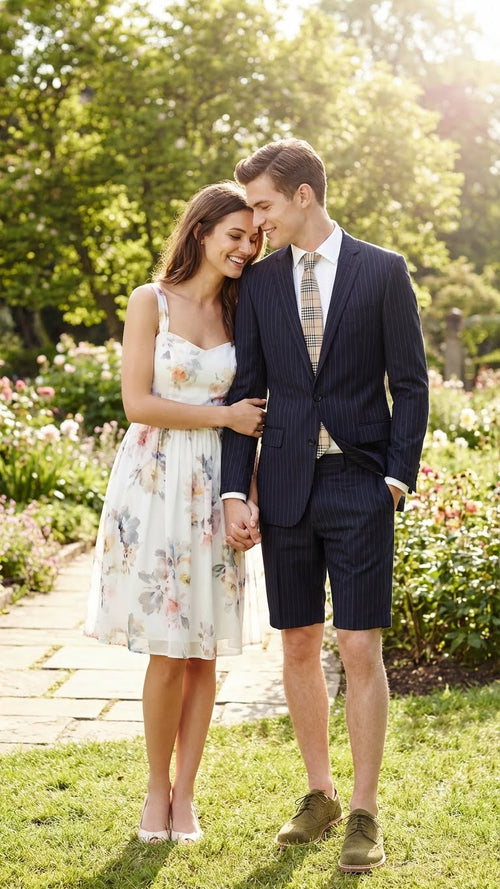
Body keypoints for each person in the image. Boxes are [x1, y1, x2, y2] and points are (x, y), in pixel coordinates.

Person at [220, 139, 429, 873]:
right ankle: (321, 794)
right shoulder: (262, 282)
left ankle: (366, 811)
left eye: (265, 204)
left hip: (360, 482)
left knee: (359, 645)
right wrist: (233, 490)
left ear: (303, 195)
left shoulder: (382, 270)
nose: (257, 219)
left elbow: (411, 381)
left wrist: (397, 478)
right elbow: (245, 390)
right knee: (299, 643)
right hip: (283, 487)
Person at [85, 182, 266, 844]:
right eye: (235, 235)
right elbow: (138, 402)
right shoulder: (150, 302)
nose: (247, 248)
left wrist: (247, 494)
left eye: (255, 238)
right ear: (201, 232)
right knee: (166, 648)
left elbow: (258, 415)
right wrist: (221, 413)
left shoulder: (245, 314)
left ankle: (186, 793)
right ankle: (153, 792)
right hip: (155, 485)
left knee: (204, 651)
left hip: (217, 486)